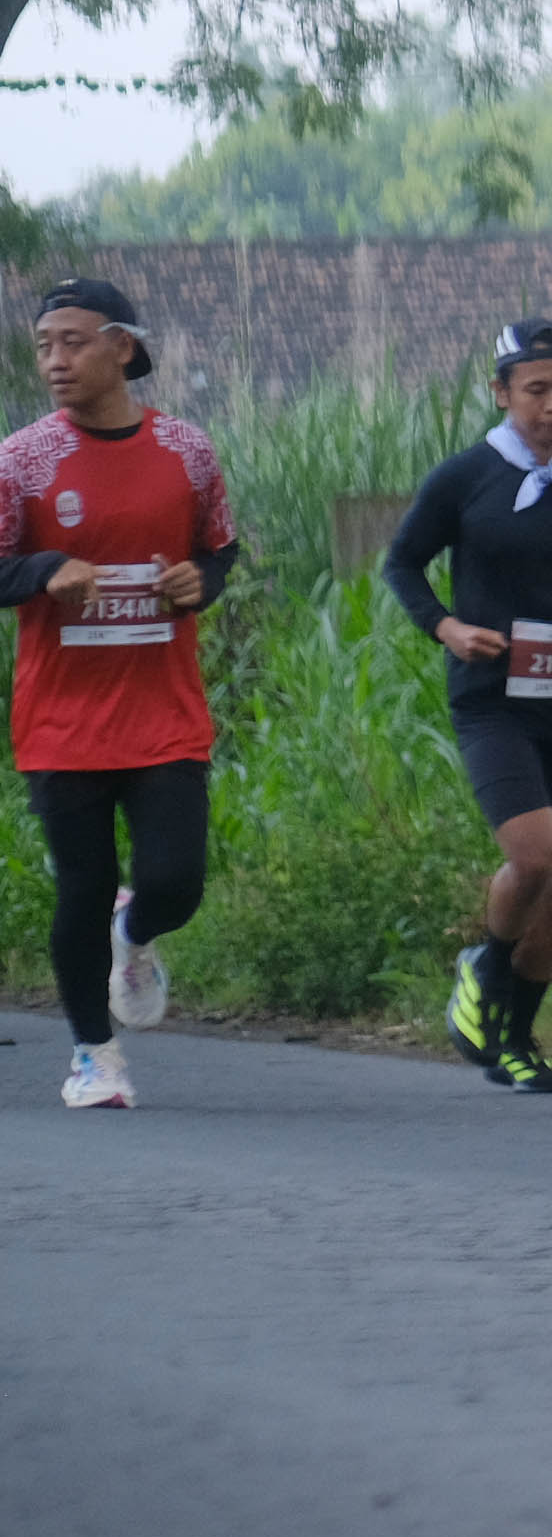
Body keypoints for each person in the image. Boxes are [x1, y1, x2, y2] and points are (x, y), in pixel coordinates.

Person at [383, 319, 552, 1094]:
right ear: (501, 393)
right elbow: (402, 563)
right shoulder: (465, 478)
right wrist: (445, 626)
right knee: (533, 857)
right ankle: (484, 964)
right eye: (536, 390)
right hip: (492, 701)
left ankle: (516, 1040)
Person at [1, 279, 240, 1111]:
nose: (55, 360)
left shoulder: (187, 450)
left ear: (122, 348)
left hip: (163, 713)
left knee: (177, 880)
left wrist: (198, 582)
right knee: (83, 883)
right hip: (62, 720)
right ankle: (93, 1057)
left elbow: (219, 549)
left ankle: (134, 934)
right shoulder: (22, 459)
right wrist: (43, 569)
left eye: (72, 341)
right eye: (43, 345)